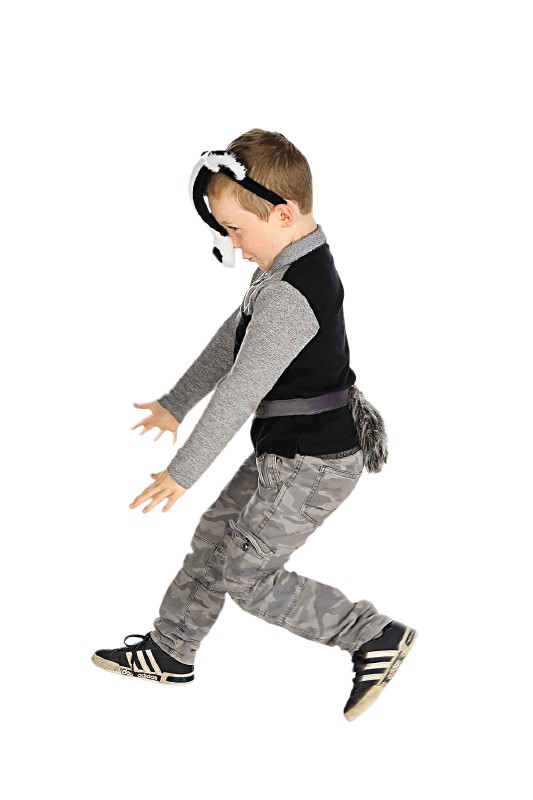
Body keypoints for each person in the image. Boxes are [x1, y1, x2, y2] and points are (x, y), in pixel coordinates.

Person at [91, 128, 417, 721]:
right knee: (216, 538)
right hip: (287, 450)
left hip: (312, 464)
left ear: (283, 213)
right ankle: (172, 648)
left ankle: (371, 634)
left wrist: (183, 472)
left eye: (236, 230)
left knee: (247, 574)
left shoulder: (293, 292)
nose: (234, 246)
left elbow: (241, 391)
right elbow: (234, 337)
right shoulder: (285, 263)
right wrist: (176, 401)